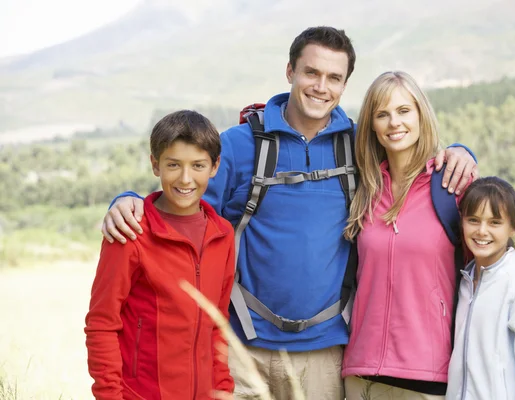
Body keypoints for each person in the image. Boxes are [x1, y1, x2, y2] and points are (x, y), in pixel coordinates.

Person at [101, 27, 477, 400]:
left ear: (344, 85)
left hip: (325, 354)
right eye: (311, 73)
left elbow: (410, 153)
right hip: (243, 347)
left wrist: (461, 152)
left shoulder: (361, 145)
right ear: (290, 72)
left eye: (334, 78)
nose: (320, 86)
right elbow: (183, 199)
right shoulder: (240, 143)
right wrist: (129, 198)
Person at [341, 71, 515, 400]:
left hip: (426, 377)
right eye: (382, 114)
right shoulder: (365, 189)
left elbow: (494, 245)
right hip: (361, 374)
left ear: (421, 115)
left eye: (404, 111)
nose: (394, 123)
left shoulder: (449, 185)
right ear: (372, 125)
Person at [85, 110, 235, 399]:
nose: (186, 178)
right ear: (155, 165)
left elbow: (218, 324)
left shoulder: (223, 234)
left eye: (198, 165)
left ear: (215, 167)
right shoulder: (130, 232)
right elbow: (101, 324)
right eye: (174, 164)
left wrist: (223, 390)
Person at [445, 176, 515, 400]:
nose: (482, 231)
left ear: (514, 226)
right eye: (473, 220)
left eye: (495, 222)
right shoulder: (464, 280)